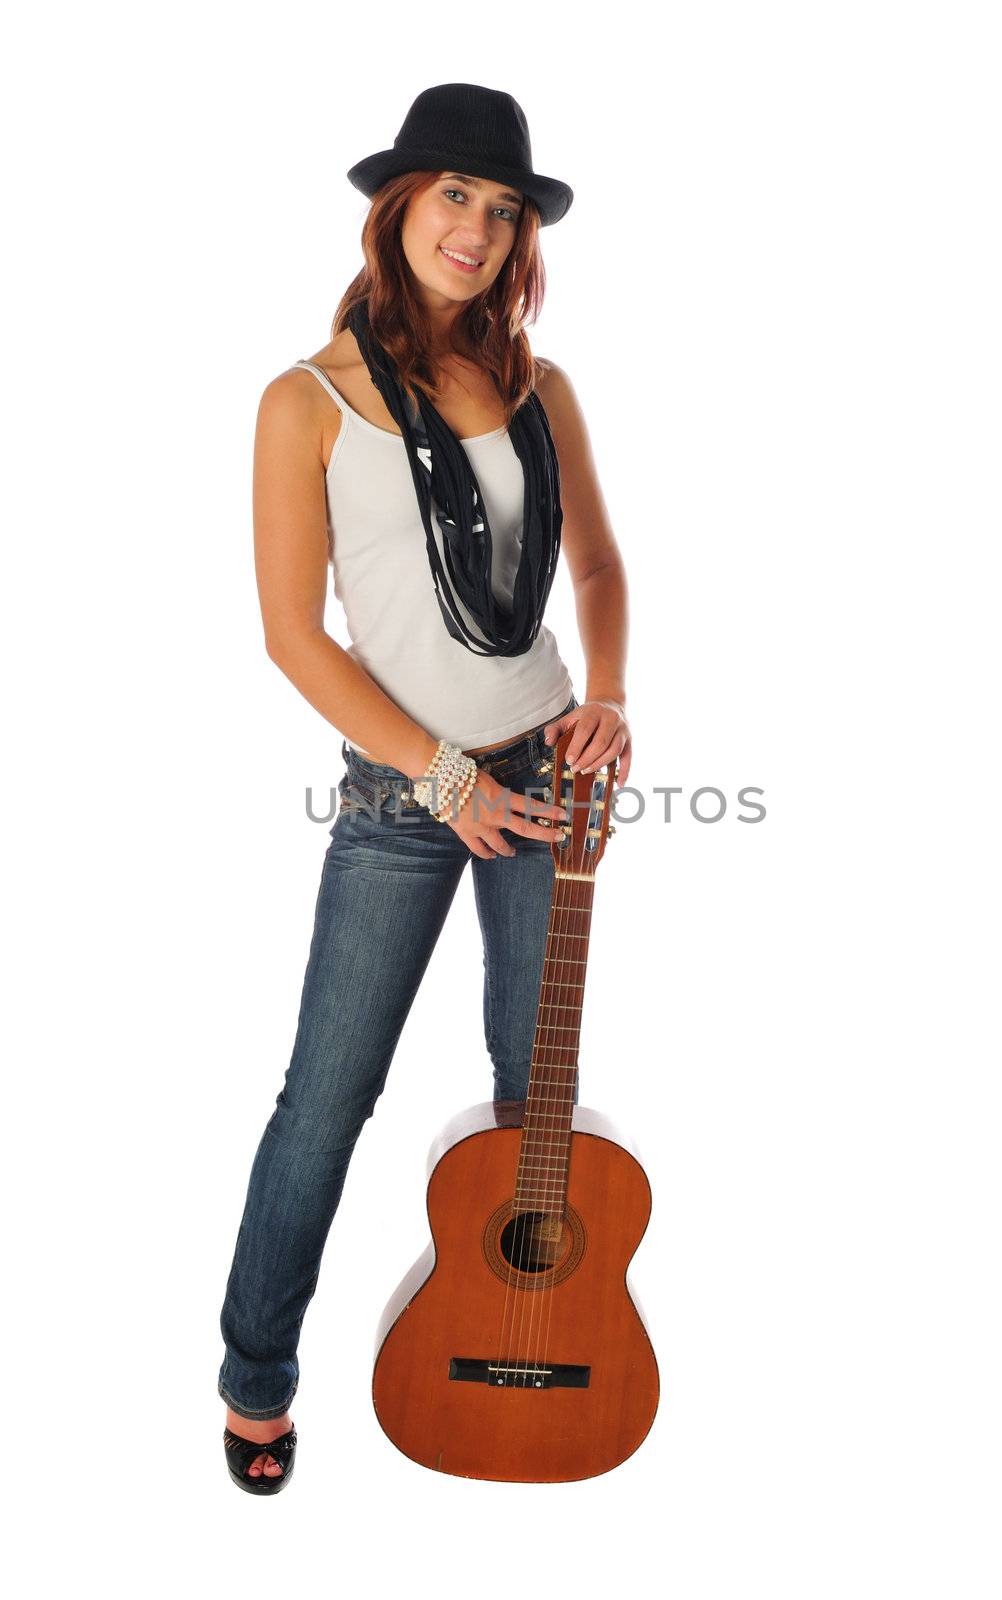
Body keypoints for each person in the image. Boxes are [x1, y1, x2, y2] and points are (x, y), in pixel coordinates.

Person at [217, 83, 632, 1493]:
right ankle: (256, 1376)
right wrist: (438, 775)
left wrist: (611, 703)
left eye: (501, 207)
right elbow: (290, 634)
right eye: (453, 195)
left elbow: (600, 573)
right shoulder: (306, 403)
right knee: (326, 1100)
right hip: (407, 795)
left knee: (537, 1119)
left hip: (547, 779)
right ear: (395, 209)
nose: (476, 227)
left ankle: (522, 1366)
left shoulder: (537, 387)